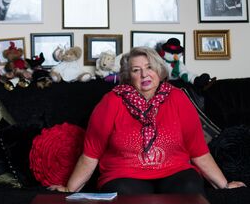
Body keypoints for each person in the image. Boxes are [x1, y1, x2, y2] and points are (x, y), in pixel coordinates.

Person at [51, 47, 246, 195]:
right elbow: (91, 153)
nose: (144, 74)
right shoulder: (111, 102)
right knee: (125, 193)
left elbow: (198, 151)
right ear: (128, 77)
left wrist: (225, 185)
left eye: (149, 67)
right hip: (124, 175)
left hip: (174, 172)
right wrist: (70, 189)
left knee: (190, 184)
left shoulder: (177, 98)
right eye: (136, 70)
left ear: (159, 71)